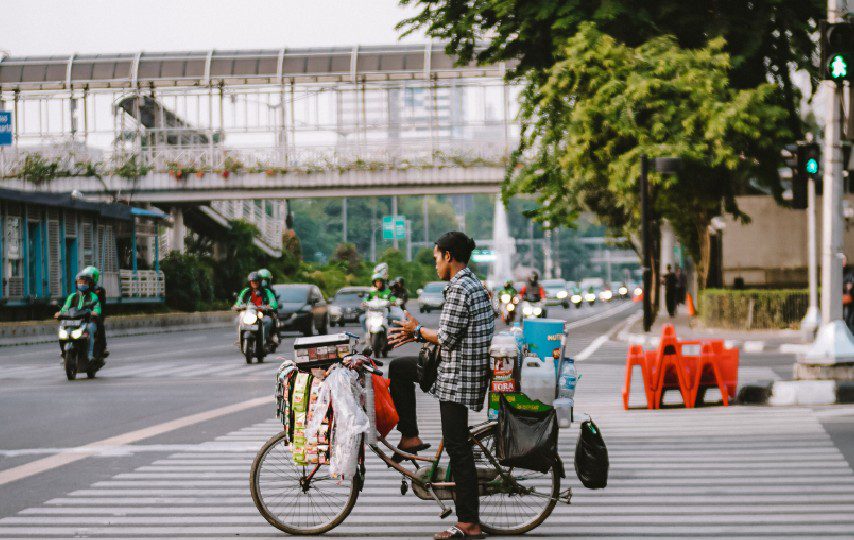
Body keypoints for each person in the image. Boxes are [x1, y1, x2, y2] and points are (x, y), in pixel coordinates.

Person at [387, 231, 494, 540]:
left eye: (436, 258)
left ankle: (468, 523)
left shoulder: (460, 287)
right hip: (458, 368)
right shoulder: (473, 284)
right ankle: (410, 436)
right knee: (399, 367)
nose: (435, 264)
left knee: (457, 446)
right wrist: (417, 333)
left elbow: (446, 337)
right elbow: (451, 332)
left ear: (448, 256)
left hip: (458, 376)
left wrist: (418, 330)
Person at [54, 271, 101, 361]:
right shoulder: (72, 296)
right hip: (73, 322)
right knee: (61, 330)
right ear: (76, 284)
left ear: (89, 284)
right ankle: (63, 353)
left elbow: (97, 308)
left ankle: (90, 355)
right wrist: (59, 313)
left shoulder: (93, 296)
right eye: (80, 282)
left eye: (85, 282)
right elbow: (65, 308)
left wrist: (94, 312)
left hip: (87, 321)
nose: (82, 284)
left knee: (90, 329)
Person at [233, 272, 279, 345]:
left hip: (262, 313)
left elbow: (273, 302)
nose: (254, 283)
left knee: (268, 321)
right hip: (248, 313)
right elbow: (239, 302)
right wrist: (237, 306)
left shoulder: (266, 292)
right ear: (250, 282)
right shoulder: (245, 291)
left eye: (256, 281)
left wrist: (270, 306)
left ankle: (266, 339)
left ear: (260, 282)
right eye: (253, 281)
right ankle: (240, 339)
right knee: (237, 320)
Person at [81, 266, 109, 358]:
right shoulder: (81, 290)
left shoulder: (99, 290)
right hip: (83, 313)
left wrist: (95, 312)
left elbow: (100, 304)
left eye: (90, 277)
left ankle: (103, 347)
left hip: (97, 314)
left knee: (100, 326)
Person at [256, 268, 280, 346]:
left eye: (265, 279)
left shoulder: (271, 292)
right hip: (255, 313)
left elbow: (274, 303)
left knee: (273, 318)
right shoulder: (253, 291)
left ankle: (272, 336)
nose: (263, 281)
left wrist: (271, 306)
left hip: (268, 312)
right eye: (261, 279)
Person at [844, 256, 854, 331]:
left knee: (849, 320)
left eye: (844, 260)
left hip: (849, 300)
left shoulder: (850, 272)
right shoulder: (836, 271)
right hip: (842, 300)